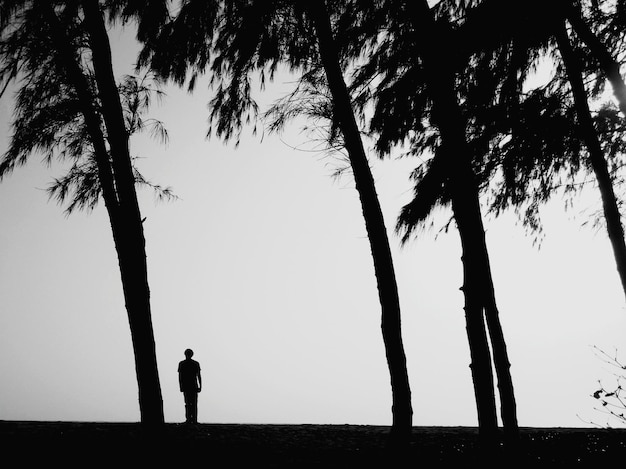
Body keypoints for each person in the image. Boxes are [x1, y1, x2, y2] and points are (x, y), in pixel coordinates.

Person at [178, 348, 202, 424]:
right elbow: (199, 376)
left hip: (187, 385)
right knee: (193, 403)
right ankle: (193, 419)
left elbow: (180, 377)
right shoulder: (195, 363)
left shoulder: (182, 364)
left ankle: (189, 419)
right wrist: (200, 386)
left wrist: (181, 386)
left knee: (188, 403)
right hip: (193, 385)